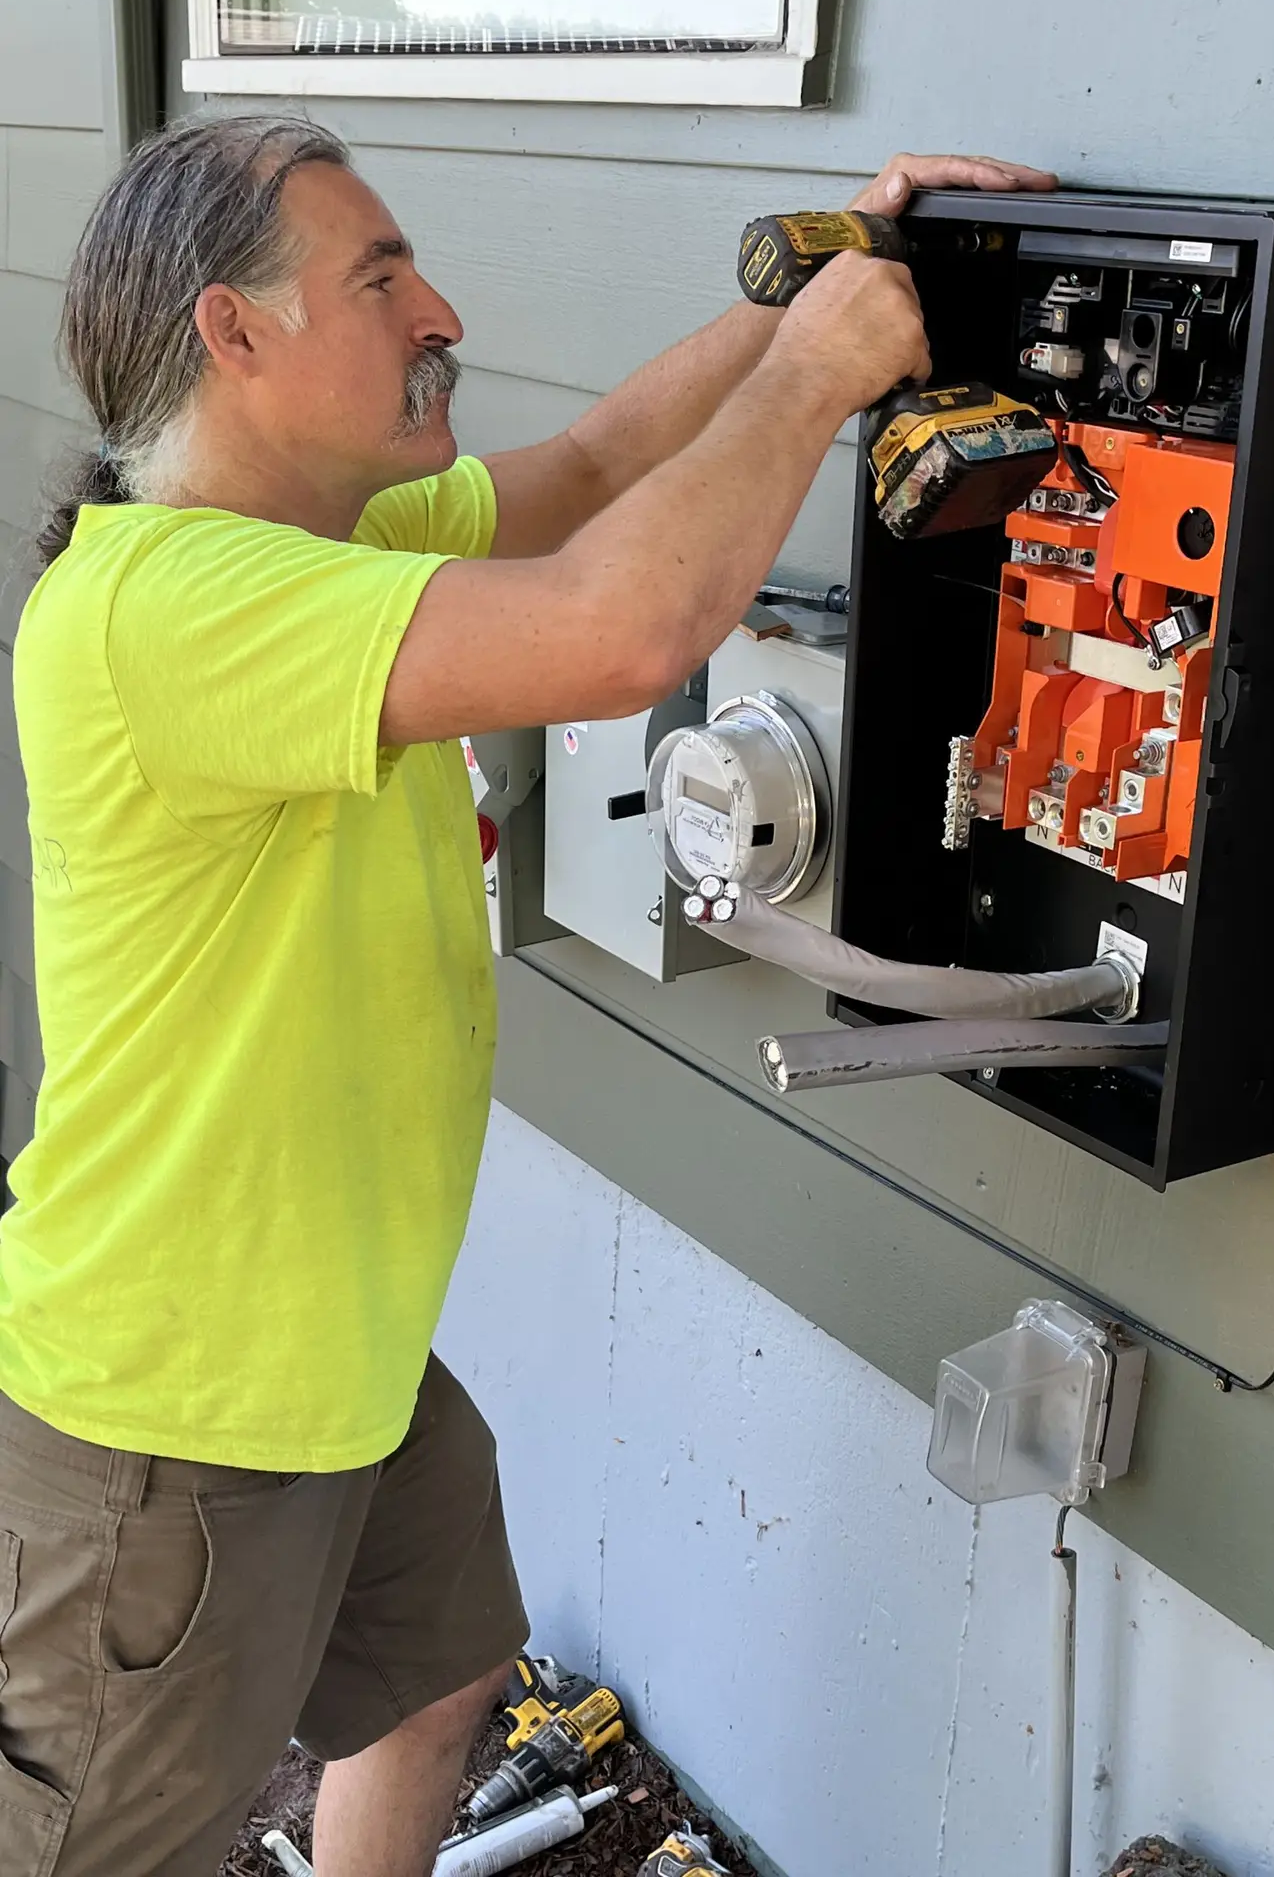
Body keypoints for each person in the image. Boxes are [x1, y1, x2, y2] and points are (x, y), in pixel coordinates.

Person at [0, 114, 1055, 1876]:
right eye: (381, 275)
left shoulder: (329, 543)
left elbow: (589, 469)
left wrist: (830, 276)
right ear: (230, 333)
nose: (441, 308)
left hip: (331, 1356)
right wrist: (818, 377)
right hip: (164, 1427)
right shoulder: (167, 607)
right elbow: (619, 628)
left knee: (437, 1681)